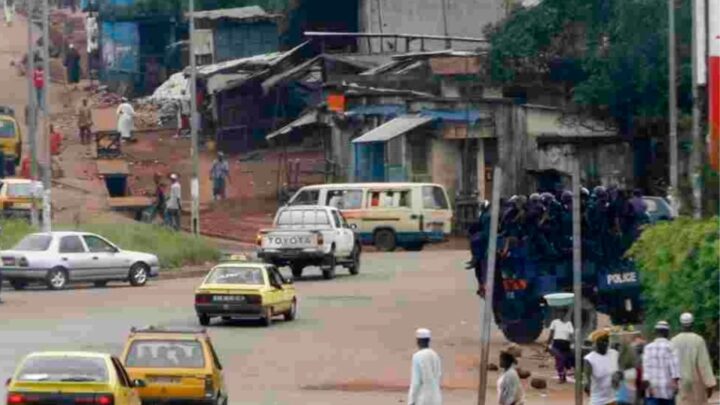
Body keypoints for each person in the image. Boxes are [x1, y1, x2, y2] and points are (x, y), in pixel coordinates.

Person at [671, 313, 716, 405]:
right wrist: (710, 384)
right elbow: (704, 364)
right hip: (696, 385)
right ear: (692, 324)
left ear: (680, 324)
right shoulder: (698, 340)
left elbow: (671, 365)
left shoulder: (673, 341)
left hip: (680, 384)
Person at [643, 321, 681, 405]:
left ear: (656, 332)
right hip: (667, 389)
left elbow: (646, 370)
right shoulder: (671, 346)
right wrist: (676, 384)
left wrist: (647, 386)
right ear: (667, 332)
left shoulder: (648, 348)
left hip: (652, 389)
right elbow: (675, 369)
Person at [584, 328, 621, 405]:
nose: (605, 343)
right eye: (601, 341)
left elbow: (620, 371)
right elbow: (587, 382)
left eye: (606, 341)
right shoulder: (590, 359)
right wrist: (587, 387)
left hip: (613, 399)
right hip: (598, 401)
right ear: (595, 343)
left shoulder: (614, 354)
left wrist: (618, 377)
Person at [407, 328, 442, 405]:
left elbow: (416, 382)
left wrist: (411, 400)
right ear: (428, 340)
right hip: (436, 398)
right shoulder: (435, 355)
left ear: (418, 341)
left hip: (422, 399)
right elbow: (438, 375)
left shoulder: (417, 356)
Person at [547, 307, 574, 383]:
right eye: (560, 313)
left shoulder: (569, 323)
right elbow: (551, 334)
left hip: (566, 344)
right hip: (556, 344)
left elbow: (571, 335)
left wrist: (572, 344)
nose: (561, 315)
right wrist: (548, 344)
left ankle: (563, 375)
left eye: (563, 313)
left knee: (565, 361)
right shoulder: (554, 322)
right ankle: (561, 377)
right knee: (560, 360)